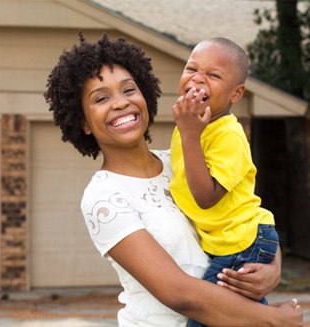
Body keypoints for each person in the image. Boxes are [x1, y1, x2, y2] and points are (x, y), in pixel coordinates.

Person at [44, 33, 302, 326]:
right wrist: (274, 319)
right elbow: (178, 293)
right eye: (101, 98)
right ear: (83, 122)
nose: (120, 103)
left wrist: (272, 266)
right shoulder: (104, 196)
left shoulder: (182, 161)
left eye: (129, 90)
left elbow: (245, 215)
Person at [170, 38, 279, 323]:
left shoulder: (227, 134)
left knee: (208, 315)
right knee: (235, 316)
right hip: (229, 241)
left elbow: (206, 197)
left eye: (213, 75)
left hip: (242, 241)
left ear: (236, 93)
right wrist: (190, 132)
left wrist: (190, 134)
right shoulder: (192, 127)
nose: (197, 79)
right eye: (191, 68)